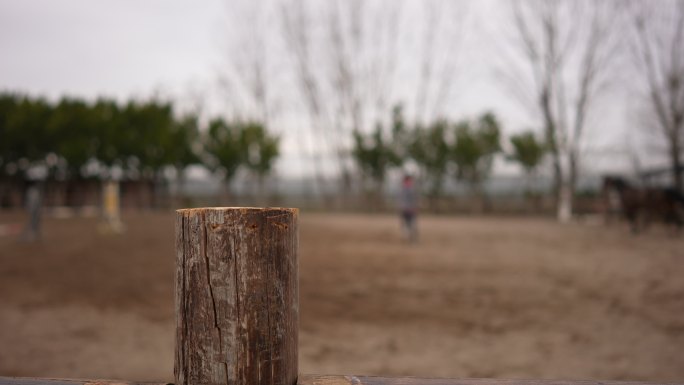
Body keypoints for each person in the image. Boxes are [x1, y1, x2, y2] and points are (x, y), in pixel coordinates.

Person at [399, 174, 418, 242]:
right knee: (406, 226)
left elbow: (415, 200)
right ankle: (408, 238)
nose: (409, 182)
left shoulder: (412, 190)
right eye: (408, 181)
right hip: (405, 210)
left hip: (411, 210)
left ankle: (412, 239)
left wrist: (413, 207)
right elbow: (401, 200)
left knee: (412, 225)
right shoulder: (403, 190)